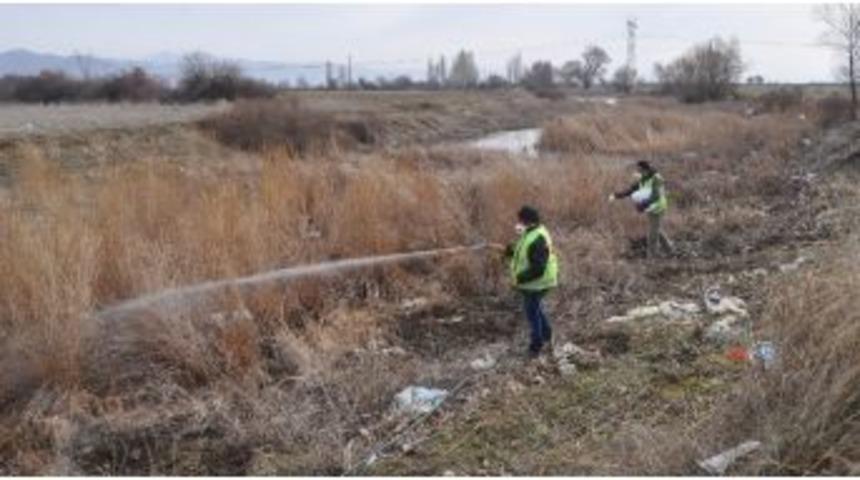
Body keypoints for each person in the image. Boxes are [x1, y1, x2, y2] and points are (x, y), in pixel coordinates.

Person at [505, 205, 559, 358]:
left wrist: (519, 278)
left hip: (538, 282)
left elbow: (538, 269)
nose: (518, 223)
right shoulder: (532, 232)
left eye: (520, 220)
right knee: (536, 309)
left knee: (532, 313)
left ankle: (536, 346)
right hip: (535, 282)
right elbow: (523, 247)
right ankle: (547, 335)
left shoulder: (538, 238)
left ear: (527, 221)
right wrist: (510, 250)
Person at [610, 160, 674, 259]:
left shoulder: (656, 179)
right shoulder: (643, 178)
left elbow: (656, 196)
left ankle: (652, 256)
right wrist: (617, 195)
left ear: (646, 169)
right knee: (656, 229)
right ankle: (669, 248)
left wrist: (643, 205)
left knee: (652, 234)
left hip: (658, 207)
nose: (638, 172)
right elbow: (631, 190)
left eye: (640, 170)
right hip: (651, 207)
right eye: (638, 170)